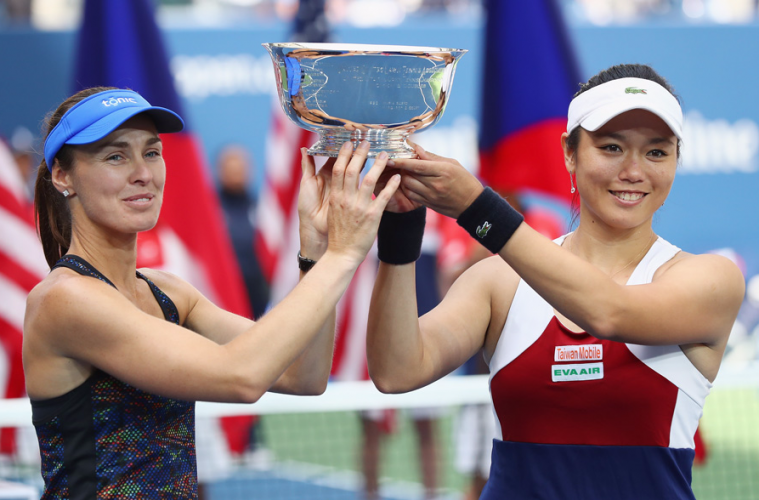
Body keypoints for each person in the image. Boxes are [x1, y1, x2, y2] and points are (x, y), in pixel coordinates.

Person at [366, 64, 745, 499]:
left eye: (656, 152)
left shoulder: (710, 279)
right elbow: (396, 371)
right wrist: (399, 231)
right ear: (569, 151)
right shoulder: (498, 281)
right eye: (611, 147)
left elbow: (609, 311)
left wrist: (478, 207)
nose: (634, 171)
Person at [23, 86, 399, 498]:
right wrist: (343, 256)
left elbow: (302, 376)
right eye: (116, 156)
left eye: (151, 152)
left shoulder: (168, 292)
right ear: (62, 175)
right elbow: (242, 376)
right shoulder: (65, 300)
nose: (143, 173)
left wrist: (315, 251)